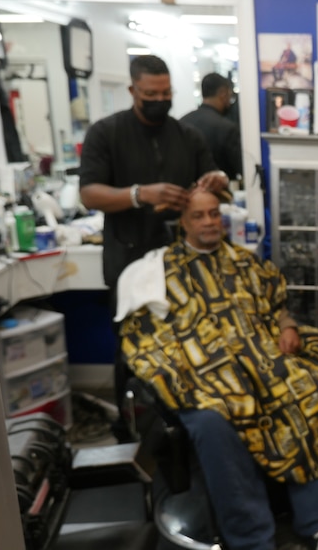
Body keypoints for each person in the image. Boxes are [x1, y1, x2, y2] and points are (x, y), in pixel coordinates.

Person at [115, 187, 318, 550]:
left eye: (214, 213)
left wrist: (287, 325)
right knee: (215, 421)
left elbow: (277, 305)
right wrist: (192, 365)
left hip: (260, 358)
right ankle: (253, 539)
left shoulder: (247, 262)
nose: (209, 221)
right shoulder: (158, 272)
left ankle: (315, 522)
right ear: (183, 221)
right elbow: (145, 336)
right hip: (199, 372)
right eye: (199, 215)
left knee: (316, 387)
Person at [79, 54, 228, 438]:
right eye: (151, 93)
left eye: (166, 93)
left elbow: (216, 183)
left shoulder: (187, 136)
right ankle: (132, 430)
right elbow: (89, 194)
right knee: (133, 345)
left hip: (182, 259)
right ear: (133, 91)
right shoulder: (105, 133)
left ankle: (186, 425)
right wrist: (138, 194)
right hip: (129, 258)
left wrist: (216, 180)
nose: (160, 99)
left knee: (187, 340)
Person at [180, 72, 243, 182]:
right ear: (223, 94)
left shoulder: (182, 122)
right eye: (229, 95)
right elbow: (241, 167)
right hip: (220, 193)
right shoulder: (227, 128)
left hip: (188, 193)